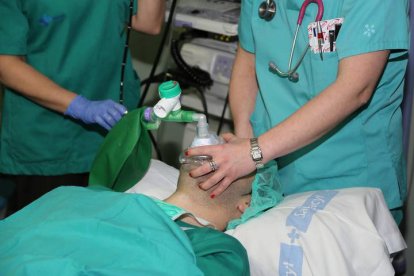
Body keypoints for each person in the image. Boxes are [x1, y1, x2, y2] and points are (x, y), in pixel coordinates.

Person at [187, 0, 409, 223]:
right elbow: (247, 62)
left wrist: (254, 152)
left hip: (349, 181)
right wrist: (251, 170)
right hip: (272, 169)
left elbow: (355, 89)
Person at [0, 0, 165, 213]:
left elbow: (149, 23)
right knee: (46, 236)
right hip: (48, 138)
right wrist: (79, 106)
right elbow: (6, 64)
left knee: (103, 233)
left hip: (112, 130)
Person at [0, 159, 253, 275]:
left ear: (248, 204)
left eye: (237, 157)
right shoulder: (84, 195)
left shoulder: (221, 252)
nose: (220, 149)